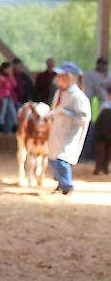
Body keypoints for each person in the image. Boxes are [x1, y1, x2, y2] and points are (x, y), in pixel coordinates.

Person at [48, 61, 91, 195]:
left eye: (62, 76)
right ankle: (60, 183)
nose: (58, 79)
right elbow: (55, 108)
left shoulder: (78, 96)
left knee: (62, 159)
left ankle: (67, 185)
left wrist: (68, 114)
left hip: (70, 132)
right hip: (58, 130)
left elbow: (84, 116)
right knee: (53, 159)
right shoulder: (59, 93)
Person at [81, 57, 109, 161]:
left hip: (103, 110)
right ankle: (87, 156)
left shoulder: (108, 76)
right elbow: (89, 94)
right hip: (93, 109)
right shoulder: (90, 76)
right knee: (90, 133)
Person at [93, 85, 111, 175]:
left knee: (108, 151)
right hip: (101, 131)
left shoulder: (104, 105)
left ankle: (105, 168)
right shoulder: (104, 105)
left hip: (106, 130)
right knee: (100, 151)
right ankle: (98, 168)